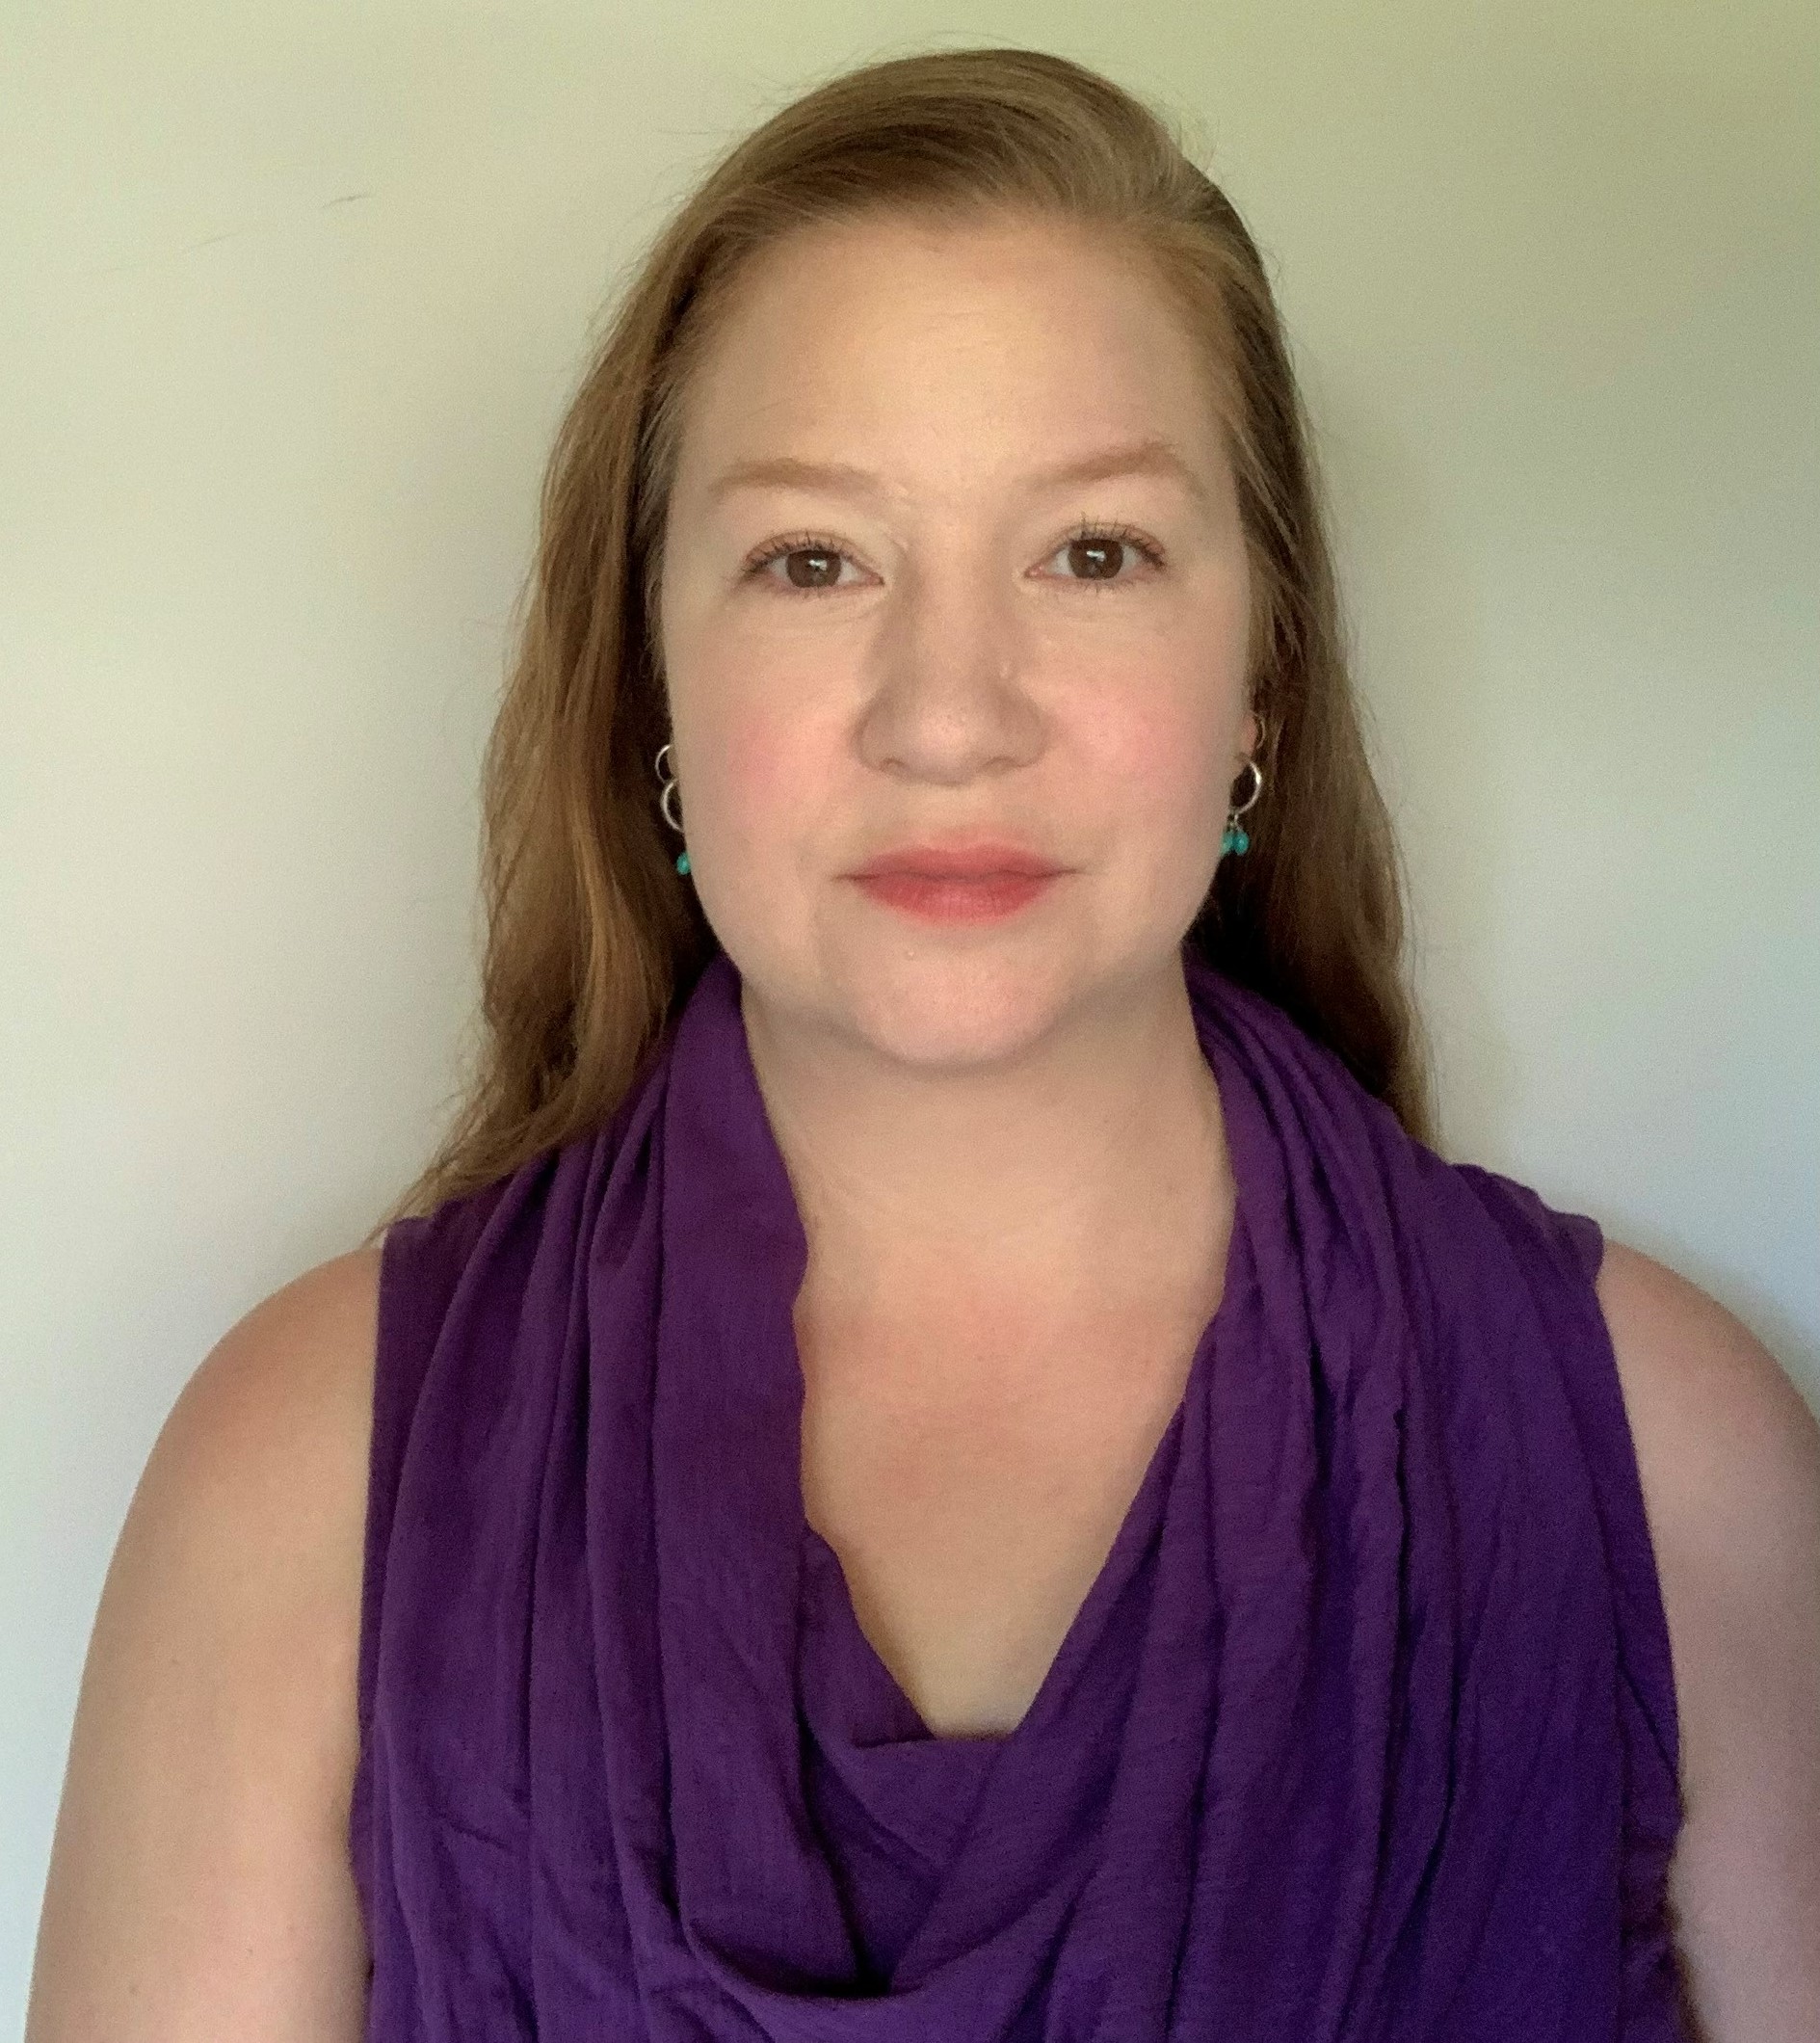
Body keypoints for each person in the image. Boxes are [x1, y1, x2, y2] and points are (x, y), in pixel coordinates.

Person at [26, 45, 1819, 2043]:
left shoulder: (1671, 1463)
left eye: (1095, 552)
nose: (948, 714)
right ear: (653, 695)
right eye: (814, 561)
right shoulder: (297, 1485)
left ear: (1262, 691)